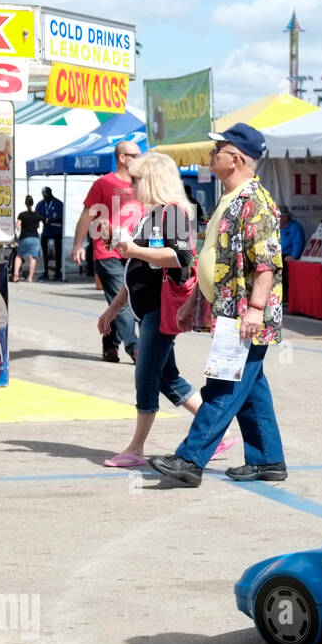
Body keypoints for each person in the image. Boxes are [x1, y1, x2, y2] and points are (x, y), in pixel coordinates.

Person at [149, 123, 287, 488]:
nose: (210, 157)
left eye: (217, 151)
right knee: (251, 388)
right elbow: (218, 257)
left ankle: (190, 459)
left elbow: (266, 263)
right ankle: (268, 460)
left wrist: (256, 309)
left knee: (223, 386)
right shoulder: (230, 198)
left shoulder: (255, 203)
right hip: (231, 310)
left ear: (236, 159)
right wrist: (196, 297)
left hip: (246, 314)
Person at [96, 152, 239, 468]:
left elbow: (182, 258)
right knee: (166, 377)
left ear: (151, 180)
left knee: (146, 375)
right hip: (150, 308)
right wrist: (113, 309)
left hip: (161, 309)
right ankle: (214, 432)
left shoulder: (172, 212)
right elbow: (137, 266)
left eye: (135, 178)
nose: (130, 184)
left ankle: (136, 448)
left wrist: (133, 249)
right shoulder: (156, 213)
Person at [72, 141, 143, 363]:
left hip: (134, 251)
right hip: (107, 252)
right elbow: (87, 215)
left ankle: (109, 347)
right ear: (122, 157)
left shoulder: (142, 185)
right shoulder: (103, 183)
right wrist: (77, 245)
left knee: (119, 301)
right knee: (124, 302)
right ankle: (136, 348)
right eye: (135, 155)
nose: (140, 159)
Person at [36, 187, 65, 281]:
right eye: (44, 194)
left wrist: (50, 220)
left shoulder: (58, 203)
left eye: (47, 194)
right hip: (46, 232)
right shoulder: (41, 204)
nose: (45, 196)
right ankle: (46, 271)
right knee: (45, 253)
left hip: (57, 231)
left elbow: (62, 217)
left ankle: (58, 271)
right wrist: (43, 219)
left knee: (58, 252)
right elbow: (37, 215)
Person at [12, 196, 43, 283]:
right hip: (35, 238)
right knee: (33, 258)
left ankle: (16, 275)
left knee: (19, 256)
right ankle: (30, 277)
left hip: (24, 238)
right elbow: (39, 225)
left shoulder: (22, 215)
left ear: (25, 203)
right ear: (33, 203)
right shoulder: (37, 215)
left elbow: (17, 227)